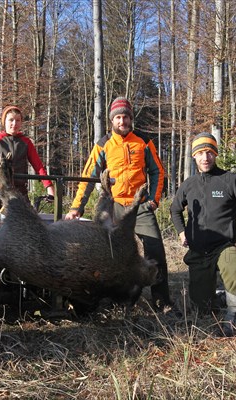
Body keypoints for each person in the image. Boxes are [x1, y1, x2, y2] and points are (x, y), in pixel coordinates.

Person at [64, 97, 173, 311]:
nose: (122, 121)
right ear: (112, 121)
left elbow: (157, 171)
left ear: (131, 119)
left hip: (139, 207)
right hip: (113, 206)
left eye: (126, 117)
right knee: (109, 255)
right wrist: (77, 207)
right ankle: (112, 301)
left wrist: (153, 200)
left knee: (155, 251)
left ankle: (162, 301)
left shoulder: (143, 141)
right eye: (118, 117)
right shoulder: (104, 144)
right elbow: (88, 177)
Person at [170, 133, 236, 336]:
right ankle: (221, 296)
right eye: (200, 153)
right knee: (203, 310)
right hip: (199, 252)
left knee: (234, 264)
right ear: (194, 156)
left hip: (225, 247)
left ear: (215, 154)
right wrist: (181, 233)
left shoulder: (230, 180)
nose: (205, 157)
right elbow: (175, 209)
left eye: (209, 152)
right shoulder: (189, 184)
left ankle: (235, 314)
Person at [0, 105, 55, 225]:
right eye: (11, 120)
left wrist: (49, 187)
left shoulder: (26, 142)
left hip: (19, 191)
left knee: (33, 221)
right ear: (4, 121)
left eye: (18, 120)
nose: (14, 123)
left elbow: (38, 166)